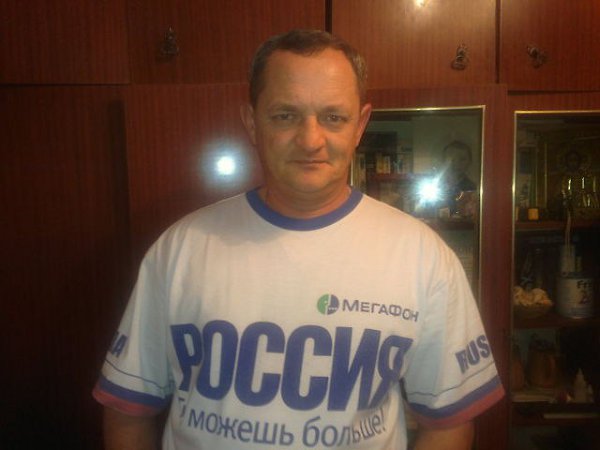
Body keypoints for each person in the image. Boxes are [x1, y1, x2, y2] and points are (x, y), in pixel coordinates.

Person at [93, 29, 504, 450]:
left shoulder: (422, 257)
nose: (310, 140)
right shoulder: (180, 249)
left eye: (333, 117)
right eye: (285, 116)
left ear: (360, 125)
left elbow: (448, 424)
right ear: (252, 122)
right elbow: (128, 413)